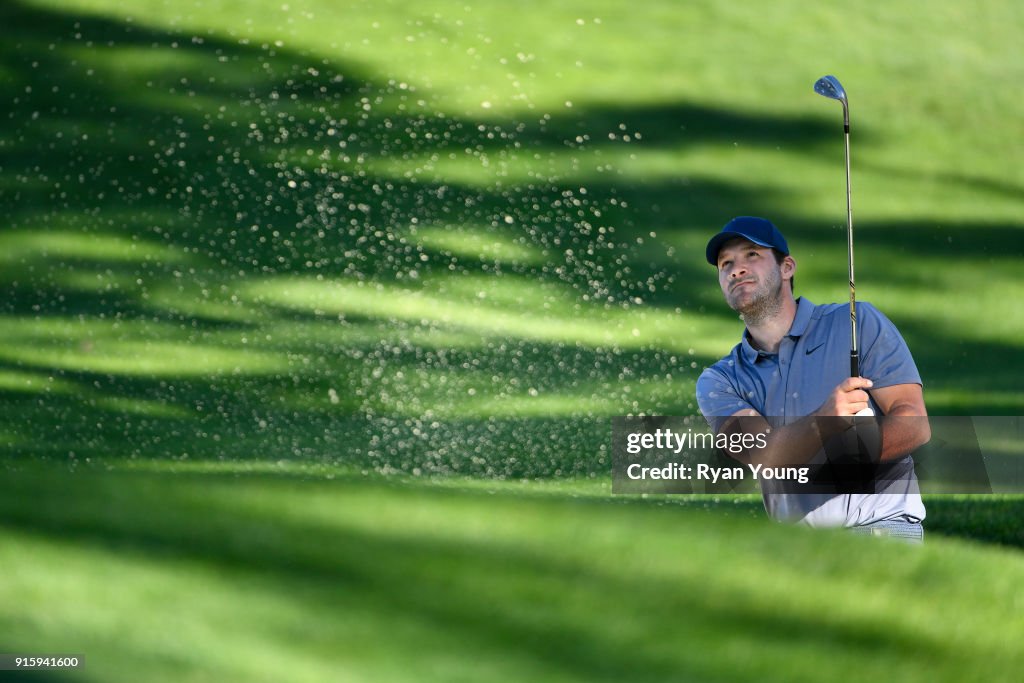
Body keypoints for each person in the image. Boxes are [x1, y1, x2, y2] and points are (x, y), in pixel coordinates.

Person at [695, 216, 931, 540]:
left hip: (884, 531)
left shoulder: (857, 322)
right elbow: (764, 455)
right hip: (799, 551)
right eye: (726, 264)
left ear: (787, 267)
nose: (736, 269)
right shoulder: (719, 381)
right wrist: (825, 420)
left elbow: (914, 423)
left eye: (752, 255)